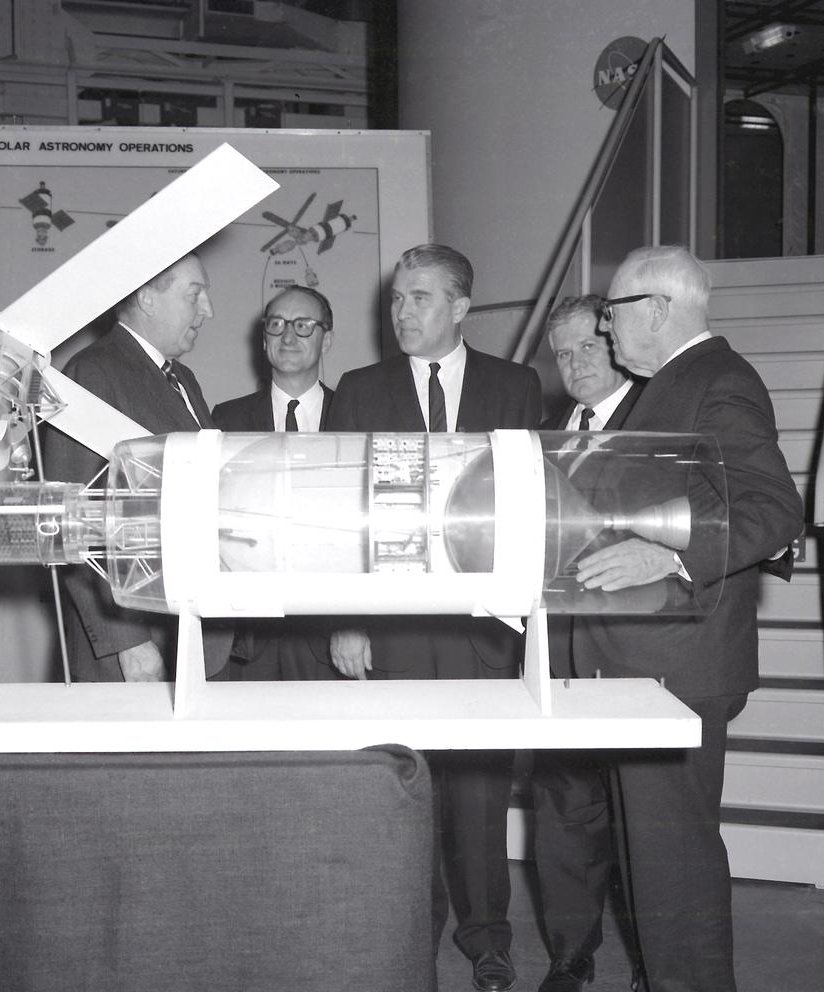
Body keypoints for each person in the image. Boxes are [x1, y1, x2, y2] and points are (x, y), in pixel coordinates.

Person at [571, 246, 802, 992]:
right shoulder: (673, 382)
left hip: (678, 666)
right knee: (655, 869)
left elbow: (774, 509)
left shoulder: (718, 382)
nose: (605, 330)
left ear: (657, 310)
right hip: (648, 661)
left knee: (675, 872)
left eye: (611, 312)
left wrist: (666, 558)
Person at [327, 244, 542, 992]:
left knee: (480, 794)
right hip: (392, 623)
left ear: (460, 307)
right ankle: (408, 938)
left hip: (483, 624)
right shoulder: (358, 390)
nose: (402, 312)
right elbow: (342, 512)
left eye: (420, 297)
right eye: (397, 299)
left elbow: (527, 506)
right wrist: (348, 618)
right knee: (405, 791)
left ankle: (488, 940)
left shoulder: (517, 388)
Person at [45, 253, 236, 682]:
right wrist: (125, 641)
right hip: (135, 645)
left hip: (182, 633)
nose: (208, 309)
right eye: (195, 294)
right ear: (148, 298)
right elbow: (71, 520)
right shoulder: (92, 373)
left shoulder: (181, 378)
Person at [531, 294, 646, 992]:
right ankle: (570, 955)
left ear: (615, 343)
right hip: (560, 655)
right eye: (562, 353)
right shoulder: (547, 433)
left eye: (587, 348)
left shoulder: (658, 419)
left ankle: (653, 961)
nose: (574, 364)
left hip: (639, 653)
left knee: (643, 822)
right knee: (564, 813)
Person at [210, 284, 340, 680]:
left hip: (328, 634)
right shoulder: (225, 420)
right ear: (263, 339)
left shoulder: (355, 416)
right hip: (247, 636)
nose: (287, 336)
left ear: (326, 339)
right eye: (276, 324)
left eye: (303, 326)